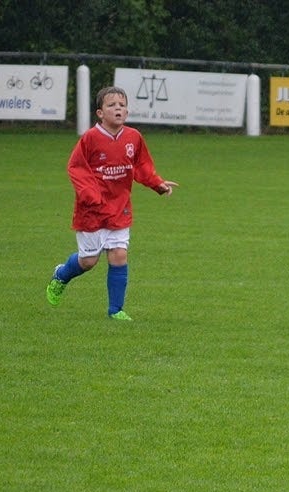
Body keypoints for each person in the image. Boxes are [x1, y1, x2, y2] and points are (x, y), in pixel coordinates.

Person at [45, 86, 177, 321]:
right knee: (88, 261)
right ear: (100, 112)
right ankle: (61, 275)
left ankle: (116, 310)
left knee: (119, 255)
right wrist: (90, 194)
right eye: (112, 105)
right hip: (92, 210)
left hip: (119, 207)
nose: (118, 109)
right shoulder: (91, 138)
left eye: (122, 105)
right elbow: (76, 167)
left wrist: (157, 184)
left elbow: (142, 166)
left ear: (127, 111)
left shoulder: (133, 137)